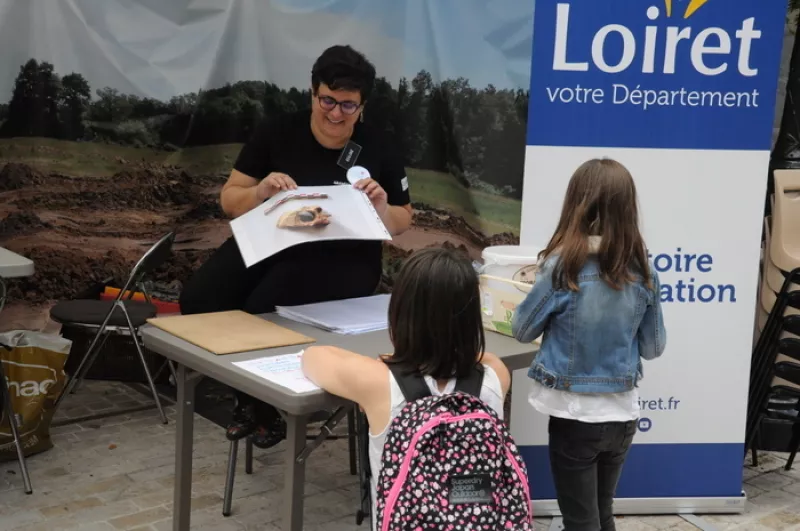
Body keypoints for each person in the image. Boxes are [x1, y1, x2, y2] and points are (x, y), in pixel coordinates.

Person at [179, 44, 412, 449]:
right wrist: (261, 193)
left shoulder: (380, 145)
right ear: (312, 92)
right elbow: (230, 199)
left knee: (260, 312)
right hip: (275, 240)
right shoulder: (277, 130)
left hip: (346, 257)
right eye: (327, 101)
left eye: (348, 105)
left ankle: (265, 407)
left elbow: (403, 221)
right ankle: (252, 397)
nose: (336, 114)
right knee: (199, 298)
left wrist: (381, 207)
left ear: (363, 106)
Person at [301, 248, 516, 530]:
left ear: (400, 314)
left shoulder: (378, 381)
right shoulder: (496, 376)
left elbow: (313, 356)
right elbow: (480, 356)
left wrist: (385, 361)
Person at [511, 158, 666, 531]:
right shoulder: (643, 270)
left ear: (575, 206)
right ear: (628, 209)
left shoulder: (562, 267)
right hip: (623, 416)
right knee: (601, 512)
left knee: (581, 521)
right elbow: (653, 347)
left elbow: (522, 329)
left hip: (574, 415)